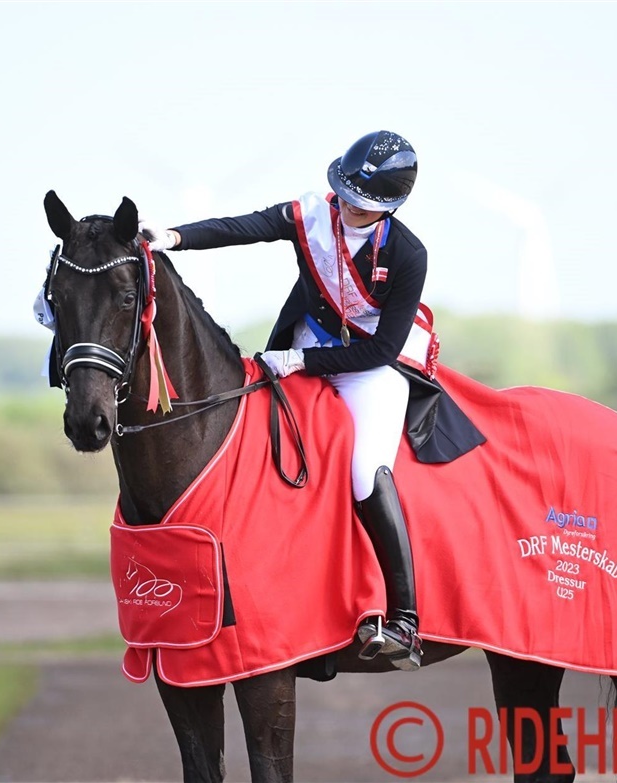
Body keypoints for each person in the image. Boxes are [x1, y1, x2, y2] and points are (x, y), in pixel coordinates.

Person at [145, 130, 446, 671]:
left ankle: (405, 620)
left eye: (363, 204)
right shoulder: (312, 215)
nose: (349, 208)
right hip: (302, 345)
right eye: (346, 195)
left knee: (364, 470)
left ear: (391, 206)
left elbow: (381, 349)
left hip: (367, 367)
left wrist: (304, 362)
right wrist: (172, 236)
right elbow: (244, 227)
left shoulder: (409, 254)